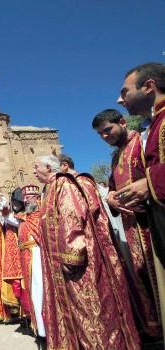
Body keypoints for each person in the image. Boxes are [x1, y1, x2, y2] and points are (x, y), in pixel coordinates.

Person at [33, 155, 140, 349]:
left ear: (48, 167)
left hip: (75, 266)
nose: (34, 172)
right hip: (60, 268)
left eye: (36, 167)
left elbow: (72, 216)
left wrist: (71, 256)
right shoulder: (50, 189)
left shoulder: (64, 185)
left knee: (89, 312)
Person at [93, 108, 161, 341]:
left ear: (122, 122)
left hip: (152, 222)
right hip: (131, 227)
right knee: (141, 276)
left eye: (107, 130)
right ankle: (154, 328)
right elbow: (111, 188)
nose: (105, 136)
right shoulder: (115, 157)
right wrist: (110, 198)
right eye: (100, 134)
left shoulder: (142, 141)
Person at [114, 62, 165, 338]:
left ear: (149, 86)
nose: (120, 99)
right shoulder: (154, 124)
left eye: (125, 91)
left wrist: (151, 182)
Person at [16, 185, 45, 338]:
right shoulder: (25, 217)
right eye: (24, 197)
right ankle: (40, 329)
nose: (26, 200)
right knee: (33, 293)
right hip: (27, 258)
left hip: (39, 257)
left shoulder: (41, 214)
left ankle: (46, 329)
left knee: (41, 291)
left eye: (29, 197)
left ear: (37, 198)